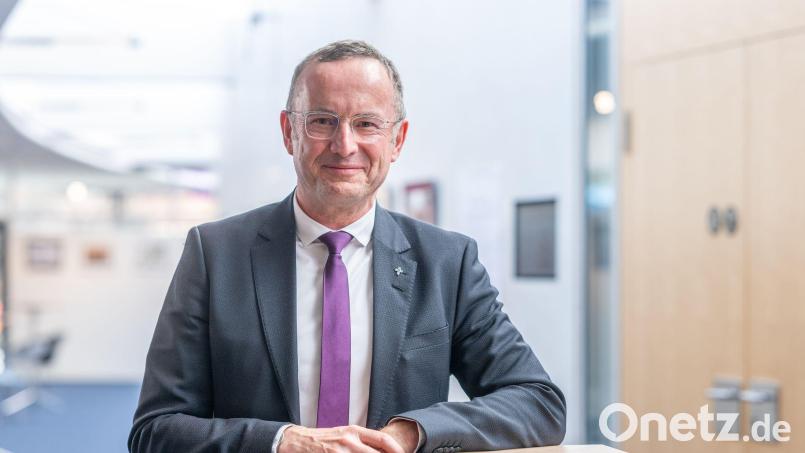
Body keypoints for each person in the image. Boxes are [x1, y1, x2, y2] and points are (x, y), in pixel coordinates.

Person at [129, 40, 565, 453]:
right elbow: (156, 429)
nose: (345, 145)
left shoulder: (446, 263)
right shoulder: (215, 254)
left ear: (397, 140)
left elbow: (538, 402)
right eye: (323, 121)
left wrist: (413, 432)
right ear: (288, 132)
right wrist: (281, 442)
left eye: (367, 124)